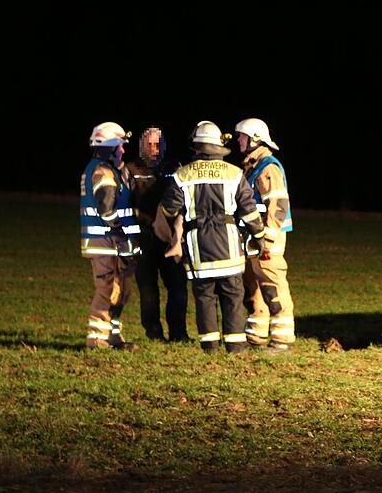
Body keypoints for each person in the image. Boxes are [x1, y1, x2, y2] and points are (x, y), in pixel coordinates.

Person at [159, 121, 267, 353]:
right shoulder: (234, 173)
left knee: (204, 297)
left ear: (197, 147)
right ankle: (236, 346)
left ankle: (210, 346)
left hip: (199, 247)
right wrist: (259, 236)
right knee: (233, 296)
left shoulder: (182, 175)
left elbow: (168, 209)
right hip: (228, 245)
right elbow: (249, 211)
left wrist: (178, 225)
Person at [234, 117, 296, 350]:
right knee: (255, 287)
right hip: (254, 239)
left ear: (254, 139)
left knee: (272, 284)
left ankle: (281, 339)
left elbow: (278, 205)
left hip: (267, 239)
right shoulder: (251, 166)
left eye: (242, 136)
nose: (238, 140)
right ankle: (256, 337)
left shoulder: (267, 167)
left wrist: (267, 238)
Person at [125, 127, 189, 342]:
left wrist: (177, 231)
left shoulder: (175, 167)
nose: (154, 149)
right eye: (149, 144)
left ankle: (179, 334)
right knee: (148, 290)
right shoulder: (131, 169)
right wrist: (147, 222)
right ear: (142, 146)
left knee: (178, 287)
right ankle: (154, 334)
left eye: (158, 144)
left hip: (172, 238)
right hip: (144, 238)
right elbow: (127, 205)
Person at [79, 121, 141, 350]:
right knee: (106, 289)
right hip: (105, 242)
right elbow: (107, 208)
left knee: (120, 290)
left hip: (112, 242)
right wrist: (120, 234)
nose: (123, 150)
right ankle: (96, 338)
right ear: (109, 148)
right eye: (120, 146)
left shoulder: (110, 170)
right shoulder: (102, 171)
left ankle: (113, 335)